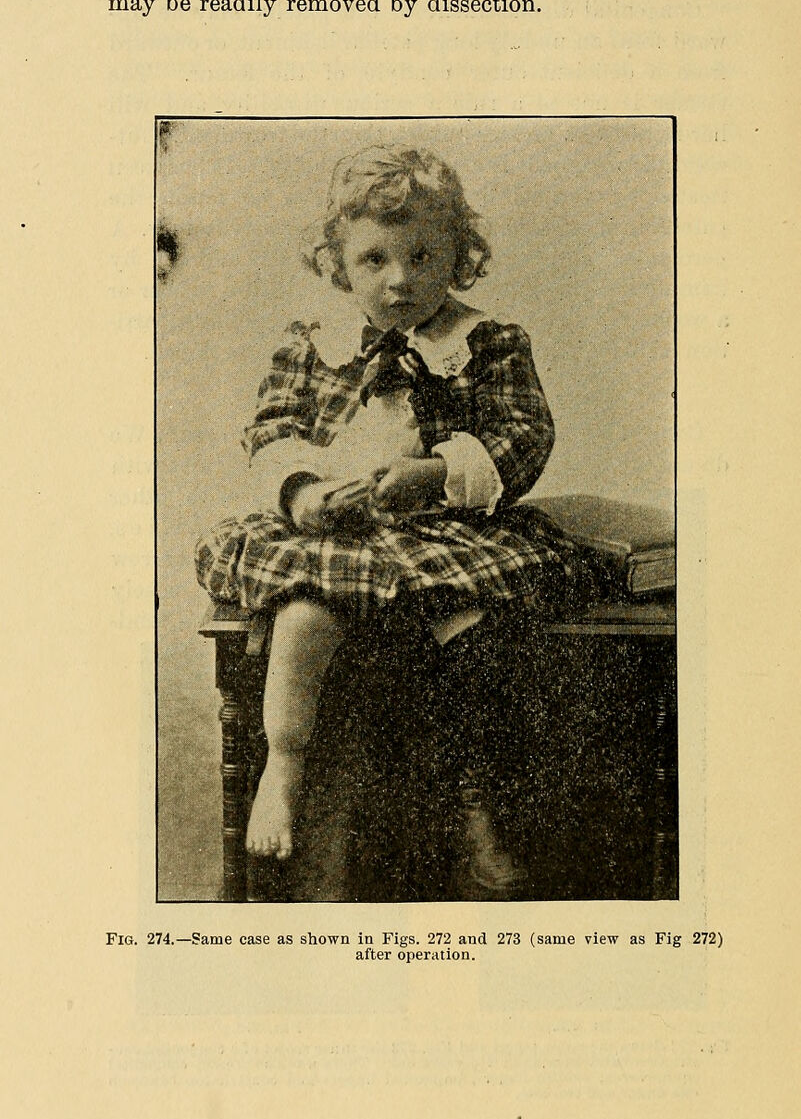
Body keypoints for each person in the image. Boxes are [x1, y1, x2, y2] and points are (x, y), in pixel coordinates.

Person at [195, 144, 579, 881]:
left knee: (471, 627)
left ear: (458, 256)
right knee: (304, 615)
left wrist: (436, 474)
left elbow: (523, 434)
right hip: (338, 533)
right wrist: (305, 492)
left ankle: (475, 805)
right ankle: (283, 766)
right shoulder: (312, 343)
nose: (400, 279)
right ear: (339, 265)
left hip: (442, 529)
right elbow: (271, 429)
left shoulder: (488, 342)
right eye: (374, 259)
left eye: (423, 256)